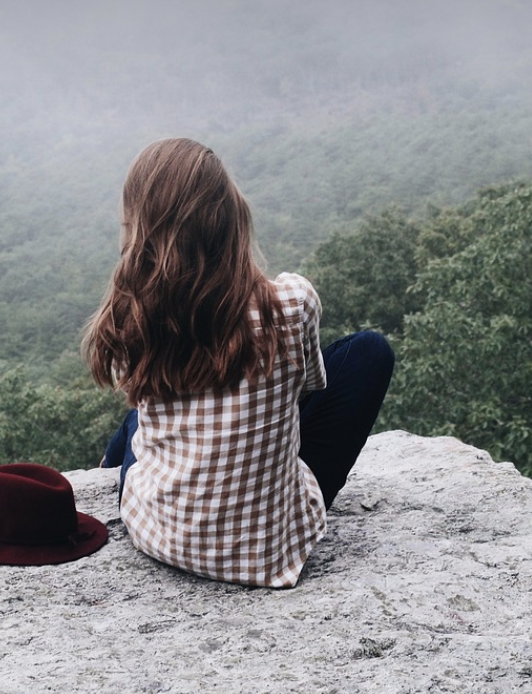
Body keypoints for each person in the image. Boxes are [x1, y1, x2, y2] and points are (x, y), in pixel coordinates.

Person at [83, 137, 393, 588]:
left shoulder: (135, 316)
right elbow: (307, 390)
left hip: (157, 533)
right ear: (230, 217)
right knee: (369, 352)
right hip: (268, 553)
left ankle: (107, 466)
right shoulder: (293, 302)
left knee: (136, 419)